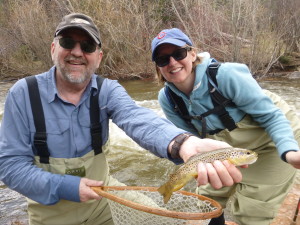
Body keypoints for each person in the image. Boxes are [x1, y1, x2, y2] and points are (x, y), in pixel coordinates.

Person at [0, 14, 244, 225]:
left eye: (87, 46)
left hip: (105, 198)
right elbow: (10, 167)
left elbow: (138, 118)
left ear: (99, 56)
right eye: (67, 42)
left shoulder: (107, 90)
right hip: (51, 213)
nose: (77, 52)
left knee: (164, 218)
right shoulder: (23, 93)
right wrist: (68, 187)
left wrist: (183, 143)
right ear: (54, 48)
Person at [151, 28, 300, 225]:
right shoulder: (167, 99)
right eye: (163, 60)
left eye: (178, 54)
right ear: (158, 67)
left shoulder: (226, 75)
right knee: (207, 197)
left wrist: (289, 152)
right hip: (222, 147)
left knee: (253, 209)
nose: (172, 62)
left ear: (192, 54)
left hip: (274, 138)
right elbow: (191, 142)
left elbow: (272, 117)